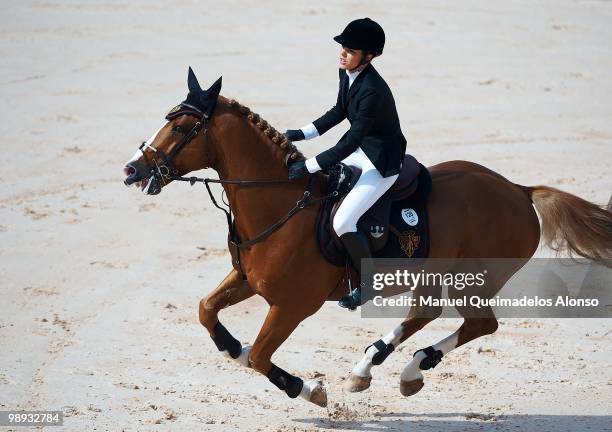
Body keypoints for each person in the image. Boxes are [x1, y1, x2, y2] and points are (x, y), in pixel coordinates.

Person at [286, 18, 407, 310]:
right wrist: (301, 133)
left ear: (369, 56)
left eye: (350, 50)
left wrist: (309, 165)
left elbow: (350, 141)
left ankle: (369, 283)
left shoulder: (373, 90)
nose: (342, 53)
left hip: (381, 162)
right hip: (362, 151)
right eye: (342, 47)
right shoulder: (348, 74)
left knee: (343, 221)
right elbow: (338, 110)